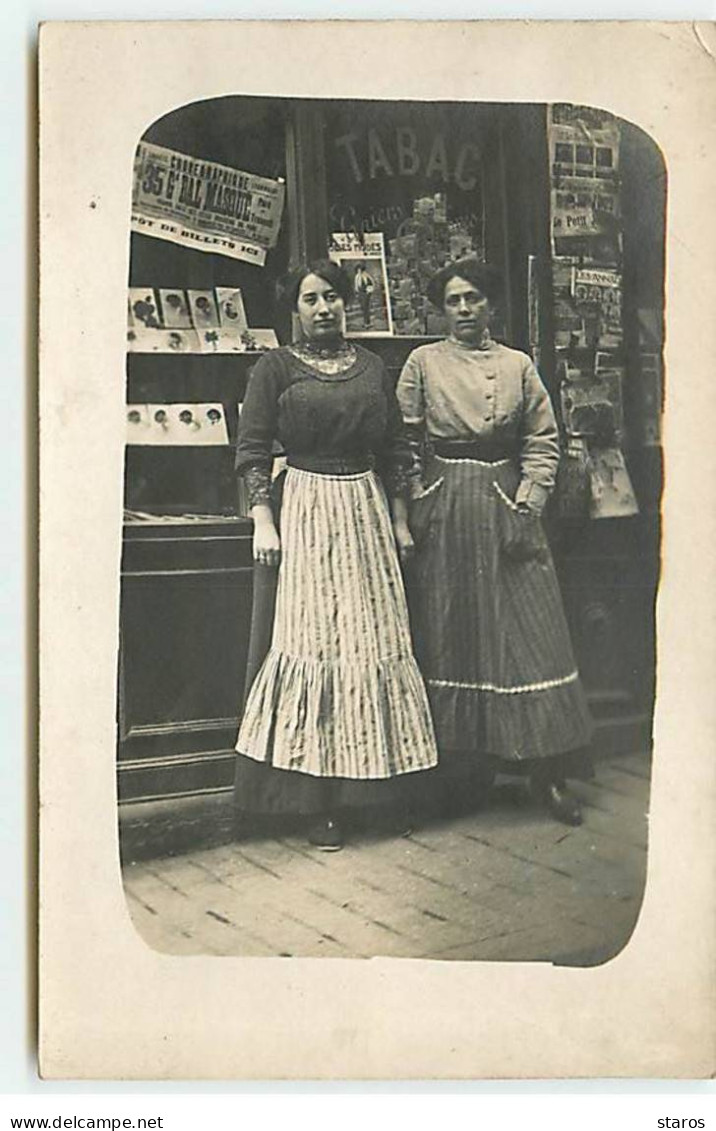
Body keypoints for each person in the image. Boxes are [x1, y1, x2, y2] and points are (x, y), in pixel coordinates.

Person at [233, 259, 438, 850]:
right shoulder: (274, 369)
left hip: (366, 509)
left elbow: (397, 448)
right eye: (311, 300)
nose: (324, 309)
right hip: (304, 508)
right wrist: (263, 520)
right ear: (294, 310)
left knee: (372, 639)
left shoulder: (373, 367)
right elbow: (251, 450)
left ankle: (374, 796)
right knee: (315, 640)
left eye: (333, 298)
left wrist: (400, 519)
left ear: (347, 305)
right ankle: (316, 804)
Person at [396, 258, 593, 826]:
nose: (464, 310)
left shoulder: (518, 365)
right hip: (446, 502)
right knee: (453, 629)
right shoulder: (422, 364)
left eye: (474, 299)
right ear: (441, 308)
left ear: (491, 305)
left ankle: (547, 774)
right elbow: (403, 441)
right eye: (454, 300)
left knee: (532, 632)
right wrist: (415, 501)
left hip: (507, 499)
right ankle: (458, 777)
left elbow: (543, 439)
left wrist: (528, 502)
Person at [353, 262, 375, 328]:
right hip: (360, 294)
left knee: (366, 308)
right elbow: (356, 286)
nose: (359, 271)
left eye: (360, 269)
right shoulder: (357, 276)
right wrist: (357, 293)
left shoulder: (366, 276)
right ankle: (365, 322)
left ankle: (367, 323)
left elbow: (372, 283)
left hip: (366, 293)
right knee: (363, 308)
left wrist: (369, 291)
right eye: (358, 269)